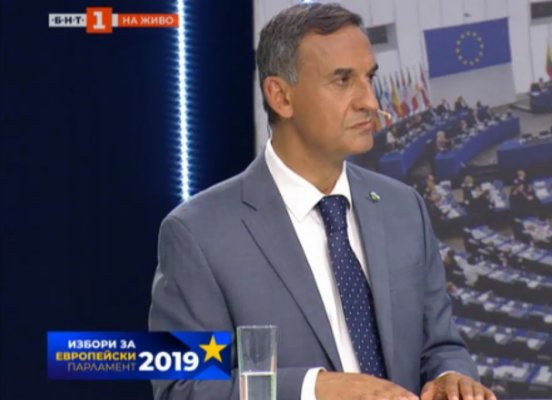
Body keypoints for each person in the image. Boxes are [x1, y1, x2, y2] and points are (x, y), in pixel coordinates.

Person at [148, 4, 493, 400]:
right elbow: (182, 388)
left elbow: (441, 345)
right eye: (343, 80)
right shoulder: (198, 234)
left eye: (369, 77)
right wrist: (312, 388)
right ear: (281, 96)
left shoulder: (403, 208)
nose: (370, 101)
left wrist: (451, 375)